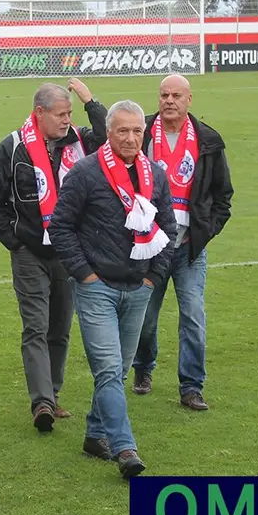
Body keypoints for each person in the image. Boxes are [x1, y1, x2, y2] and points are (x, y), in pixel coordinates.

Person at [48, 99, 177, 479]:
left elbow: (169, 231)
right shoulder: (86, 173)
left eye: (137, 131)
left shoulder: (156, 174)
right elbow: (60, 227)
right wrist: (85, 274)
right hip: (96, 289)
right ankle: (125, 448)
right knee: (108, 370)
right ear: (108, 132)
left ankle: (94, 434)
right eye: (123, 130)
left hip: (139, 287)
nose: (131, 138)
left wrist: (153, 278)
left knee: (117, 372)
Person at [0, 78, 107, 432]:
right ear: (39, 113)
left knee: (61, 328)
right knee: (36, 326)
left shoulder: (78, 141)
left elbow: (108, 135)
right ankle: (42, 403)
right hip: (30, 254)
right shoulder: (12, 148)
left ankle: (53, 392)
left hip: (69, 252)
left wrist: (89, 101)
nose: (67, 120)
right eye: (61, 114)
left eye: (69, 113)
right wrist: (17, 241)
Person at [131, 75, 233, 412]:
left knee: (192, 315)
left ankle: (191, 386)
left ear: (190, 99)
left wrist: (205, 231)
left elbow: (223, 196)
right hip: (150, 246)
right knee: (146, 317)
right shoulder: (141, 133)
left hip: (190, 247)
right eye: (164, 94)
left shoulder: (208, 140)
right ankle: (143, 368)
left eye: (176, 95)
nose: (169, 100)